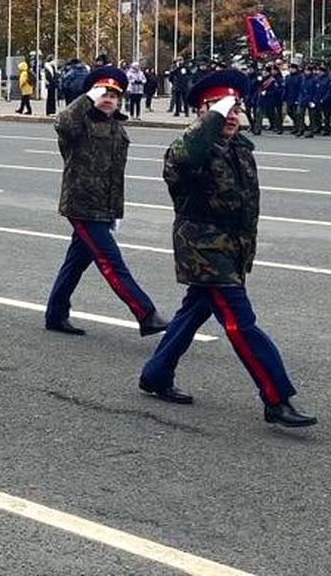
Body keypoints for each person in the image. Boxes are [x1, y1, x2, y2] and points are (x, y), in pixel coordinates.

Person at [140, 70, 317, 427]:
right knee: (241, 323)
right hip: (205, 250)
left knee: (194, 310)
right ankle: (276, 397)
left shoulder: (239, 149)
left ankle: (156, 374)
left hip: (232, 249)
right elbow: (188, 156)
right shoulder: (185, 150)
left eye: (235, 107)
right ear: (202, 113)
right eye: (221, 108)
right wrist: (214, 116)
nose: (231, 115)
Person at [45, 66, 168, 338]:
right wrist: (89, 97)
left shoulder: (116, 127)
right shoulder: (80, 123)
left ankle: (55, 313)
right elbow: (62, 122)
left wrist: (117, 212)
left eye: (114, 94)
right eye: (104, 93)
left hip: (106, 207)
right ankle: (146, 313)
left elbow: (115, 174)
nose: (109, 98)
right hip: (82, 205)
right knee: (111, 262)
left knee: (76, 262)